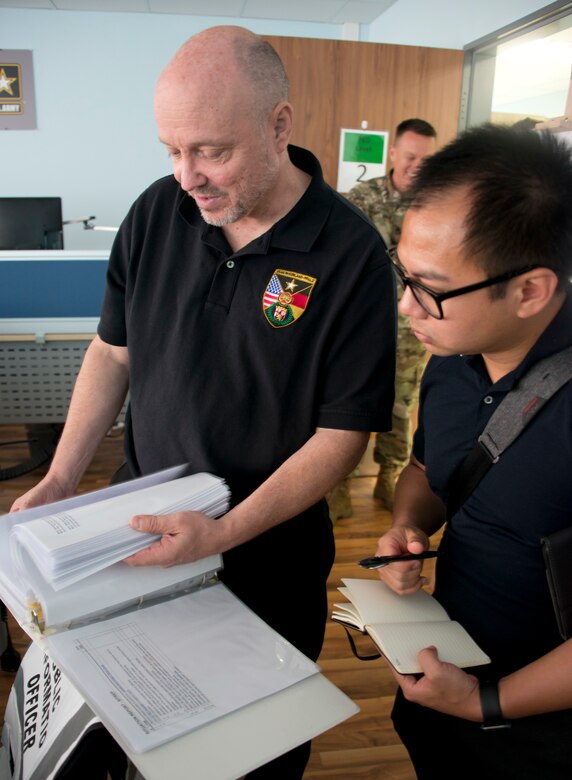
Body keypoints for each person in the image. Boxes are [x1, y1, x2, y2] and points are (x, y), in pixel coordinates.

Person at [12, 26, 396, 779]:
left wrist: (223, 533)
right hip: (139, 536)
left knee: (246, 761)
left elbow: (342, 433)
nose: (187, 175)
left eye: (211, 151)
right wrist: (60, 481)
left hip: (266, 562)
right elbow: (111, 352)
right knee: (137, 738)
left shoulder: (350, 253)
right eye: (171, 150)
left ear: (278, 125)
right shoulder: (159, 212)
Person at [373, 123, 572, 779]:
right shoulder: (451, 356)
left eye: (429, 287)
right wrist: (408, 523)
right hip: (446, 675)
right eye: (404, 276)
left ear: (530, 290)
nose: (408, 307)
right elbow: (429, 470)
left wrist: (488, 701)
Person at [344, 118, 436, 511]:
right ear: (394, 153)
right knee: (349, 404)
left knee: (402, 404)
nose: (417, 164)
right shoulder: (361, 198)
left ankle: (389, 478)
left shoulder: (437, 203)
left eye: (426, 158)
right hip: (361, 323)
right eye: (411, 155)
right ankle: (337, 487)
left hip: (412, 327)